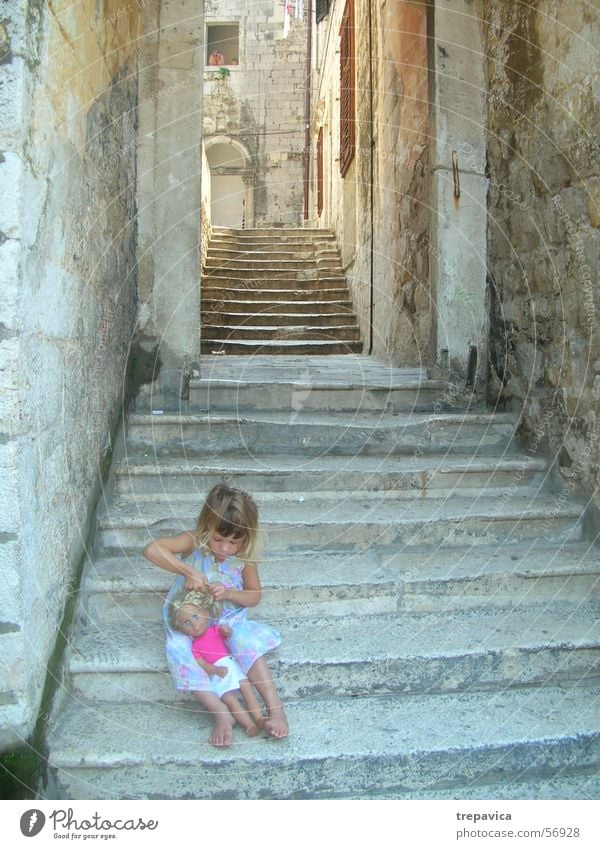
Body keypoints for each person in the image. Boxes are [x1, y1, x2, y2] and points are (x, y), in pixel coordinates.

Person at [143, 484, 289, 747]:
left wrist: (231, 594)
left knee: (243, 639)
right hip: (191, 622)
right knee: (177, 648)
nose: (224, 548)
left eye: (234, 542)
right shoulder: (193, 542)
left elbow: (254, 595)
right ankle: (222, 715)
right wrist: (187, 571)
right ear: (206, 527)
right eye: (218, 539)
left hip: (225, 622)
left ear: (246, 539)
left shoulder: (244, 560)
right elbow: (152, 550)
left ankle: (275, 708)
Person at [170, 588, 267, 737]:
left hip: (231, 665)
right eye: (186, 623)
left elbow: (228, 637)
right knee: (231, 700)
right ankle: (248, 725)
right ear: (180, 628)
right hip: (217, 673)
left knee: (248, 690)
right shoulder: (195, 646)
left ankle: (259, 717)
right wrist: (214, 670)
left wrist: (227, 632)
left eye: (196, 617)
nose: (194, 625)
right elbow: (201, 664)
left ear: (207, 613)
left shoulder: (215, 630)